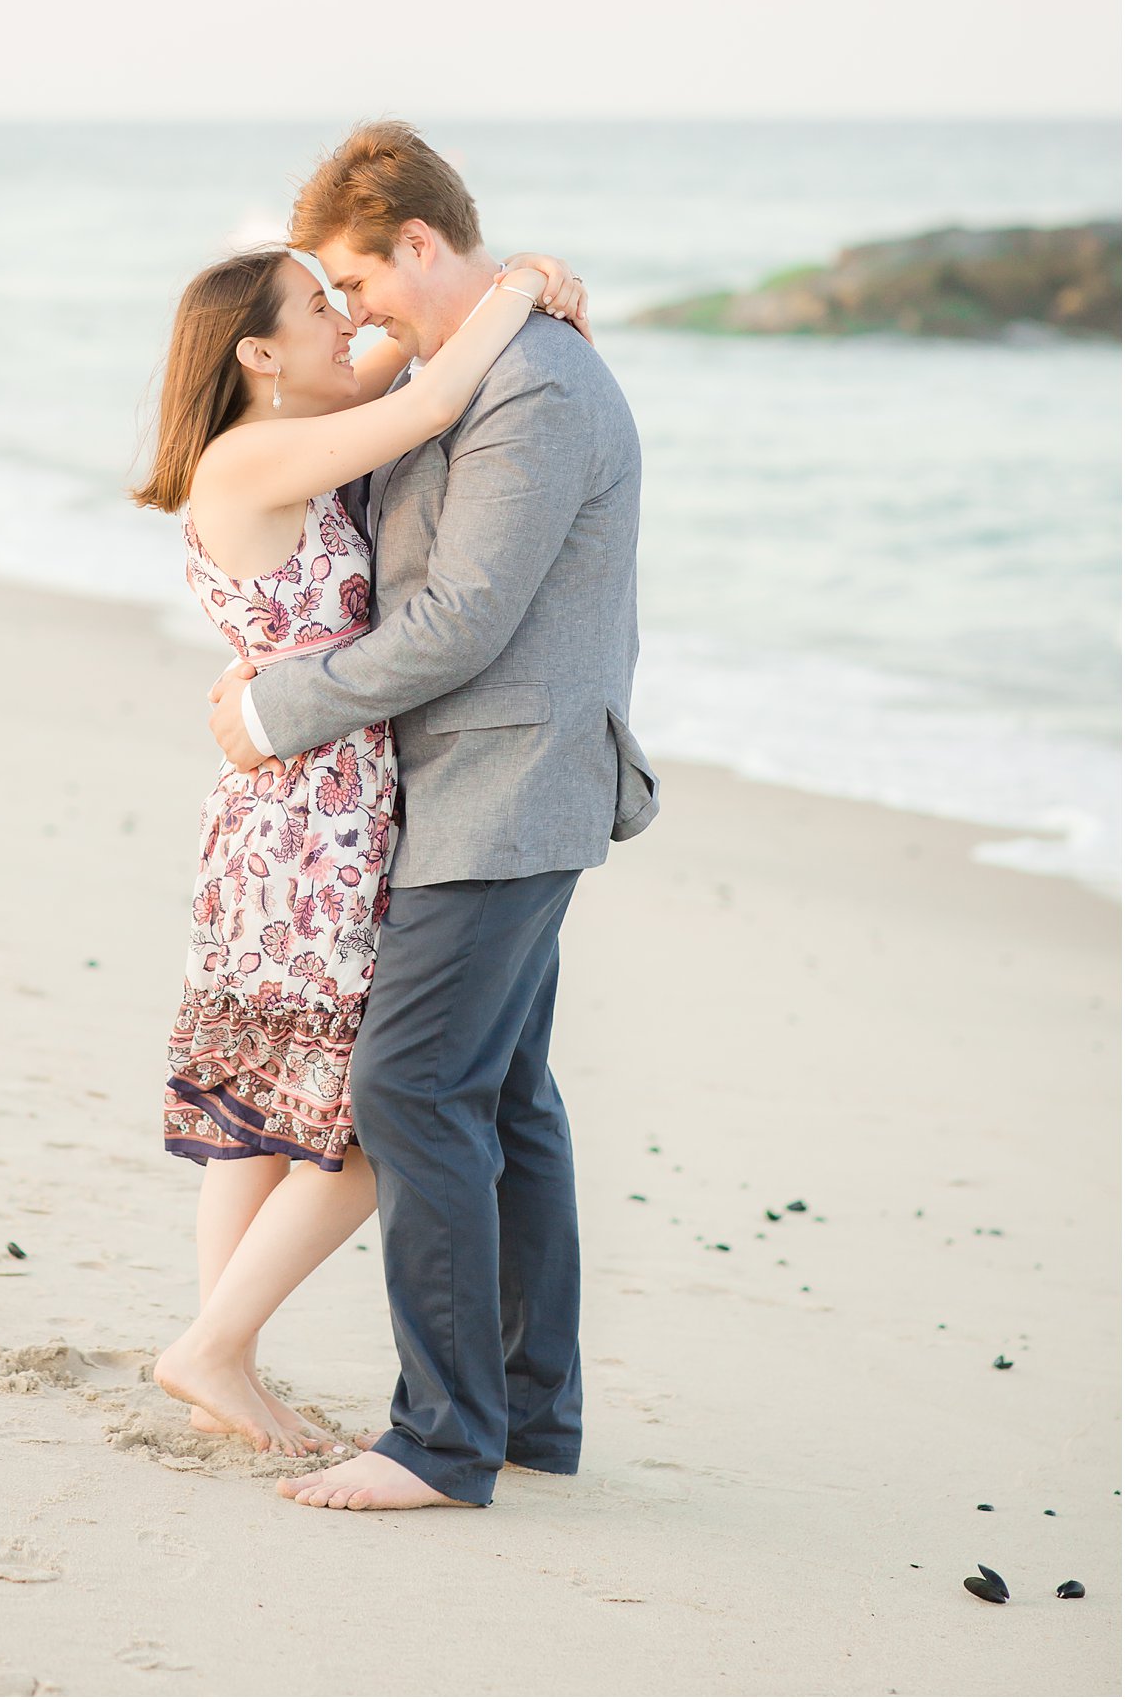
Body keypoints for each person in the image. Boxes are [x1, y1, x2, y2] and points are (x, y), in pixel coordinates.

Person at [206, 120, 658, 1512]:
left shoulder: (535, 389)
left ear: (416, 239)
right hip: (450, 788)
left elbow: (463, 619)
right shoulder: (473, 370)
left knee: (409, 1089)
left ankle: (443, 1440)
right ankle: (532, 1418)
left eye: (361, 282)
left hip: (507, 787)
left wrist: (277, 709)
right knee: (506, 1099)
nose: (356, 314)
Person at [130, 225, 588, 1459]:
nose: (347, 318)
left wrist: (475, 282)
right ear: (257, 354)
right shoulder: (259, 453)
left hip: (291, 809)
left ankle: (225, 1359)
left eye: (346, 292)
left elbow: (401, 343)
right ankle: (215, 1348)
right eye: (316, 304)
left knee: (264, 1107)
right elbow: (437, 384)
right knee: (359, 1121)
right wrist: (527, 285)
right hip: (310, 822)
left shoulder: (273, 430)